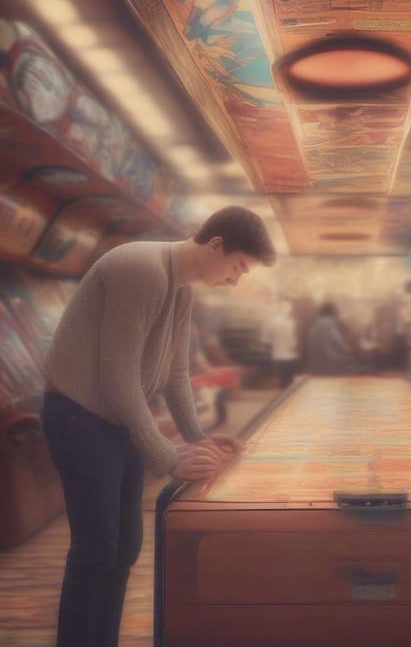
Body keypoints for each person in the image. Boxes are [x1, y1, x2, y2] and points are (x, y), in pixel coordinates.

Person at [40, 205, 276, 647]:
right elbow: (119, 374)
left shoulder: (181, 288)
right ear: (216, 245)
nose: (235, 280)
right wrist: (168, 456)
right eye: (237, 268)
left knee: (123, 549)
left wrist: (198, 440)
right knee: (96, 550)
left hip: (113, 421)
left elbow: (174, 373)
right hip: (78, 417)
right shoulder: (141, 269)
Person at [306, 302, 354, 375]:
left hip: (317, 362)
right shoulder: (329, 323)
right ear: (333, 312)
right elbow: (338, 341)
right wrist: (349, 349)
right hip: (330, 361)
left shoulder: (317, 323)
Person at [261, 300, 299, 388]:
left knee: (282, 382)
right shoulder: (291, 323)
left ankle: (283, 395)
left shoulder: (270, 323)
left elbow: (266, 341)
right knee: (290, 383)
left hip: (277, 356)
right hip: (291, 356)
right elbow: (294, 343)